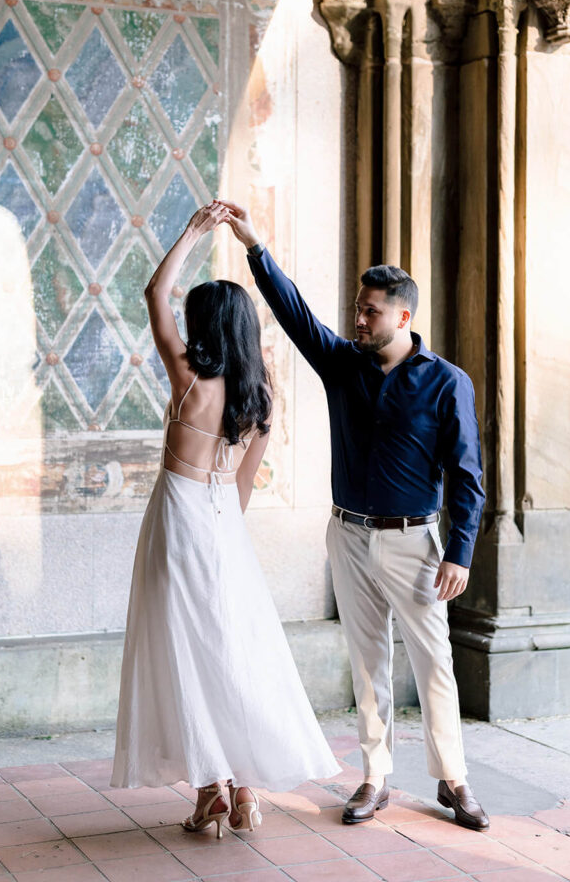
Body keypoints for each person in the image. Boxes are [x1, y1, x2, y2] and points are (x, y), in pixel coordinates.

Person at [222, 201, 489, 831]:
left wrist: (461, 551)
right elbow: (295, 315)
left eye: (371, 311)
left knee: (434, 661)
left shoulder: (447, 383)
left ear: (403, 315)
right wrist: (257, 247)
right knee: (369, 661)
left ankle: (454, 779)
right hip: (346, 534)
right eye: (358, 309)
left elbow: (467, 473)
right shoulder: (342, 365)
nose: (358, 319)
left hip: (415, 542)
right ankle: (374, 778)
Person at [110, 202, 339, 837]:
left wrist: (192, 231)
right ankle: (242, 791)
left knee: (185, 648)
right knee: (231, 647)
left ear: (202, 325)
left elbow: (154, 290)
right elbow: (240, 490)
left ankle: (212, 788)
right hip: (222, 524)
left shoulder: (188, 377)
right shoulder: (262, 398)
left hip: (180, 514)